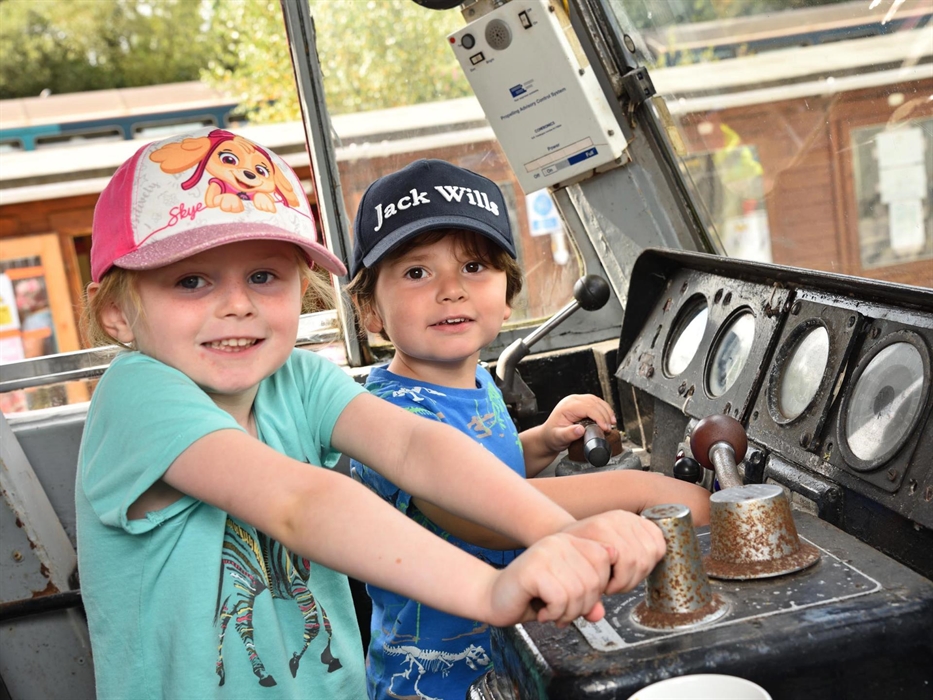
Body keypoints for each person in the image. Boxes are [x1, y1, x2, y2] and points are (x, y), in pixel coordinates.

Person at [75, 128, 668, 699]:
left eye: (263, 276)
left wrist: (562, 531)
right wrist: (491, 590)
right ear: (118, 314)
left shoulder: (296, 379)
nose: (237, 304)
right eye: (191, 281)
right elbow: (298, 504)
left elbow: (416, 447)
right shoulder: (137, 395)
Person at [346, 158, 711, 700]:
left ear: (508, 293)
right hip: (438, 683)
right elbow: (478, 513)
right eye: (417, 272)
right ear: (370, 310)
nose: (451, 290)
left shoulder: (475, 379)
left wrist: (543, 441)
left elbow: (489, 469)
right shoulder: (387, 415)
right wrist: (645, 491)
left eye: (474, 267)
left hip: (514, 655)